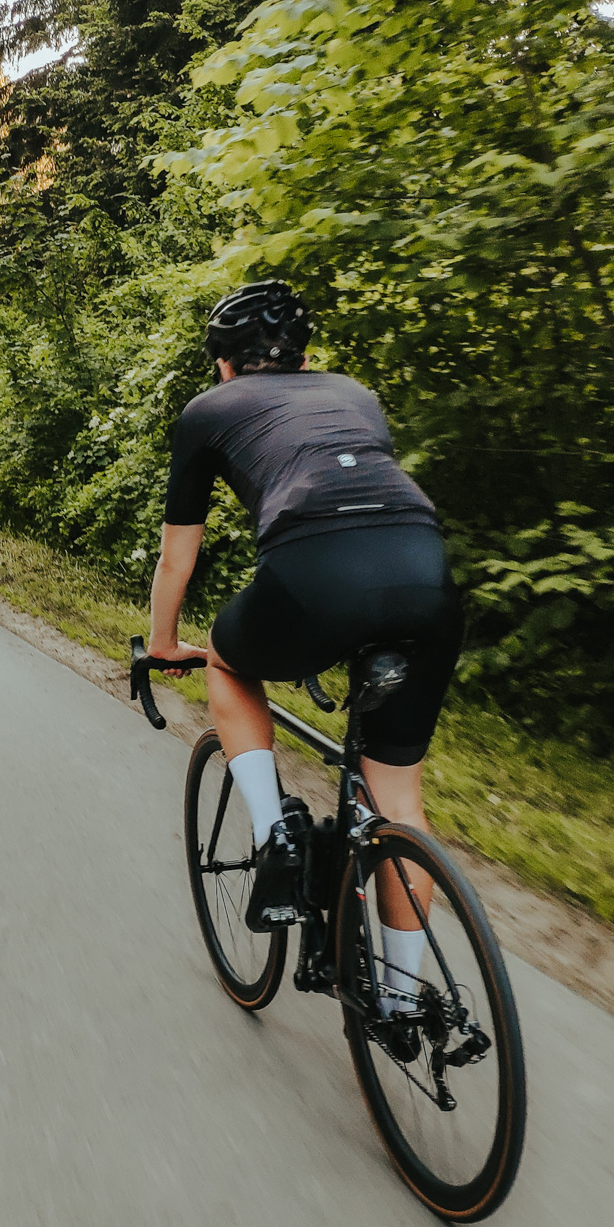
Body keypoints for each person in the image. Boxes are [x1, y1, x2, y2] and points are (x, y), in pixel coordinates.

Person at [142, 281, 463, 1012]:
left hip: (316, 576)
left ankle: (273, 832)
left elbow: (176, 560)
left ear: (223, 364)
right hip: (426, 575)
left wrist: (165, 644)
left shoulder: (208, 410)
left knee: (227, 658)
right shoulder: (354, 392)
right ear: (305, 355)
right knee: (399, 805)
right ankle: (403, 1001)